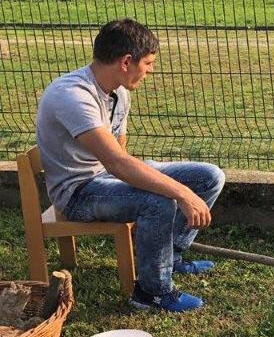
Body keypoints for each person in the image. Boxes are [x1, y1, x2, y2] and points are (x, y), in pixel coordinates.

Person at [35, 18, 224, 312]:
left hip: (107, 178)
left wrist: (155, 186)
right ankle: (152, 292)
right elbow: (118, 162)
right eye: (148, 63)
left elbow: (119, 155)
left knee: (209, 177)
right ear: (126, 61)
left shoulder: (119, 92)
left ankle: (169, 258)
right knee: (159, 201)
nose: (151, 70)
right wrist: (181, 194)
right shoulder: (72, 96)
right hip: (77, 193)